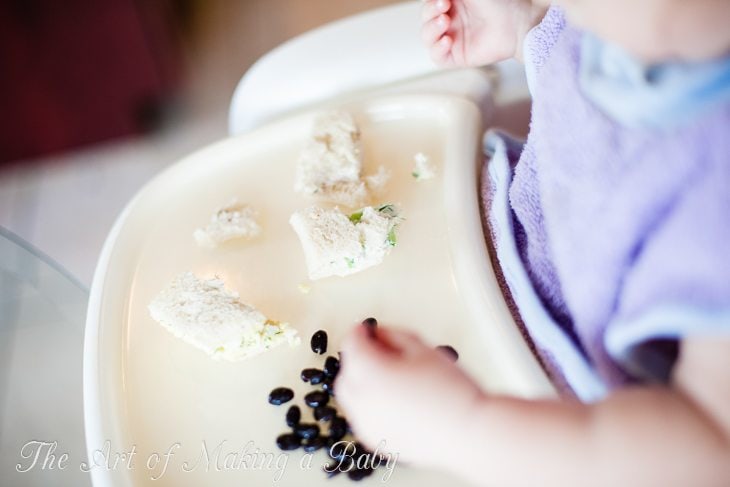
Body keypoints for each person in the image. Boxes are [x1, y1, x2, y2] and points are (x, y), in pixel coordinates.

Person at [335, 1, 730, 485]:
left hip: (559, 423)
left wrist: (461, 428)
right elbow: (583, 126)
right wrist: (527, 29)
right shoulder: (647, 28)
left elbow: (709, 447)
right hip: (490, 247)